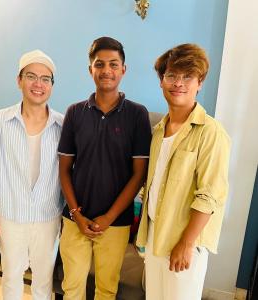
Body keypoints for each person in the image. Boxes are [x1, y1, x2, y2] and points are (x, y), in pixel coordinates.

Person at [58, 36, 152, 300]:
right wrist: (76, 214)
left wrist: (109, 217)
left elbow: (139, 174)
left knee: (107, 290)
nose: (106, 70)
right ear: (91, 70)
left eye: (113, 64)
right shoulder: (75, 112)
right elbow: (65, 169)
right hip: (75, 218)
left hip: (116, 224)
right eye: (100, 64)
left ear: (124, 69)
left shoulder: (137, 114)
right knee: (71, 287)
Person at [136, 43, 231, 300]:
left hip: (185, 240)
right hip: (156, 235)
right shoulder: (158, 131)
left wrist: (186, 243)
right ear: (161, 81)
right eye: (171, 75)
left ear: (199, 82)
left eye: (187, 76)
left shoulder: (211, 132)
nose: (178, 83)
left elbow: (210, 195)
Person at [0, 49, 64, 300]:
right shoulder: (0, 121)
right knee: (11, 279)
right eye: (31, 76)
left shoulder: (63, 124)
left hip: (48, 218)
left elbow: (69, 174)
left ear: (51, 85)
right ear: (19, 80)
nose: (38, 84)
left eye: (45, 79)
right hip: (10, 217)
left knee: (43, 282)